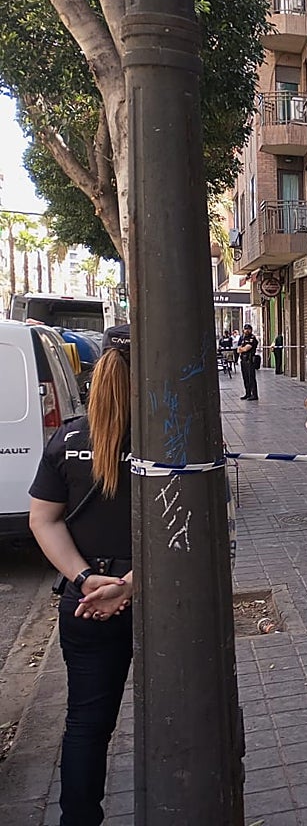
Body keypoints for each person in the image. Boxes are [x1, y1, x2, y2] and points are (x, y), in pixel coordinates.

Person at [28, 324, 135, 826]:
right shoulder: (174, 435)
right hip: (160, 601)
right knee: (180, 712)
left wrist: (86, 578)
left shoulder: (67, 437)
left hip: (87, 603)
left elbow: (42, 519)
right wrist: (131, 586)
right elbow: (196, 524)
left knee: (87, 726)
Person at [236, 323, 259, 400]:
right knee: (245, 377)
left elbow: (247, 348)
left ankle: (254, 394)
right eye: (245, 329)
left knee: (251, 378)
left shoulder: (252, 338)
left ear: (250, 330)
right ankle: (247, 393)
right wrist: (242, 349)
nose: (246, 331)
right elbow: (238, 348)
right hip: (243, 360)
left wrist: (242, 349)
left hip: (250, 360)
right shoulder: (242, 338)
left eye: (248, 329)